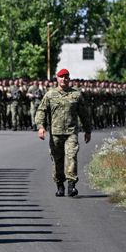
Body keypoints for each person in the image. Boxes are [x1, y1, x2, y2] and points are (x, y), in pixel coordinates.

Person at [35, 68, 91, 197]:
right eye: (61, 77)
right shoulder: (50, 95)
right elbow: (41, 111)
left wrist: (88, 130)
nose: (64, 79)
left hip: (71, 132)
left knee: (71, 157)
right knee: (57, 161)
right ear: (57, 79)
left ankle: (71, 185)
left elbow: (84, 114)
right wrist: (40, 127)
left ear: (69, 79)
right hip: (55, 133)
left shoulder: (76, 95)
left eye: (66, 77)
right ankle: (60, 185)